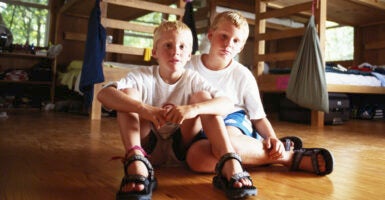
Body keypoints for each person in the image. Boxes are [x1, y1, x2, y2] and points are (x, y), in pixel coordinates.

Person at [97, 20, 257, 200]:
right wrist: (144, 109)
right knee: (127, 94)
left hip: (184, 147)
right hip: (149, 150)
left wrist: (192, 109)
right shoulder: (141, 75)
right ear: (155, 51)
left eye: (182, 46)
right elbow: (104, 94)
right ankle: (135, 162)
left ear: (189, 55)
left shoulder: (193, 79)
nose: (175, 51)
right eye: (168, 45)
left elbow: (227, 103)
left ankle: (229, 161)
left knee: (203, 97)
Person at [185, 10, 334, 184]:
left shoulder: (243, 75)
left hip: (233, 122)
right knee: (196, 160)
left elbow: (259, 117)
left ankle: (288, 157)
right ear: (210, 35)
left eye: (235, 41)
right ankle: (272, 156)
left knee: (230, 140)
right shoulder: (189, 65)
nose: (228, 44)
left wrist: (273, 138)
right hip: (202, 123)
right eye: (223, 36)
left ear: (241, 47)